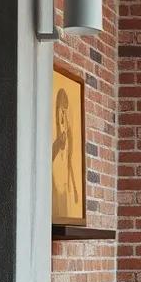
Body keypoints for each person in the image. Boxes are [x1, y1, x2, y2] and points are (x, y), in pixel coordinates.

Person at [52, 85, 80, 219]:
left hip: (63, 183)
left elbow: (70, 162)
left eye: (64, 111)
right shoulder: (54, 134)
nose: (62, 115)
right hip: (56, 180)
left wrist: (74, 188)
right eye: (60, 110)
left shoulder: (67, 133)